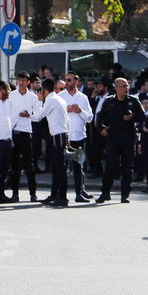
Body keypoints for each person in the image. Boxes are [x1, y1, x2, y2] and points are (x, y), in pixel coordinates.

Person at [95, 77, 141, 204]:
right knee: (110, 165)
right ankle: (105, 193)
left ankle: (125, 195)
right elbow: (100, 117)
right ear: (116, 88)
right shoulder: (109, 101)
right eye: (123, 86)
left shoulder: (133, 101)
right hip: (113, 137)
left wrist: (132, 118)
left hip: (128, 137)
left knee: (127, 167)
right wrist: (101, 129)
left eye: (127, 86)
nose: (126, 88)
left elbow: (142, 117)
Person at [37, 78, 70, 207]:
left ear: (45, 90)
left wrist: (39, 101)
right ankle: (54, 195)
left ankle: (62, 197)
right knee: (56, 167)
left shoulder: (50, 100)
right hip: (61, 135)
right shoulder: (59, 99)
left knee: (59, 168)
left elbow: (38, 116)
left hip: (58, 136)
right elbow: (67, 120)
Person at [62, 73, 94, 202]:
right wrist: (66, 110)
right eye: (65, 80)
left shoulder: (83, 97)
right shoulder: (60, 96)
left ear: (76, 81)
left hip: (79, 136)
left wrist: (80, 111)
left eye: (69, 80)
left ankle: (79, 192)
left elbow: (90, 118)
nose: (66, 82)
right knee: (62, 167)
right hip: (65, 137)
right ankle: (61, 195)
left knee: (79, 166)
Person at [8, 73, 40, 201]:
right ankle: (15, 193)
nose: (21, 83)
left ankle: (33, 193)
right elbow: (7, 114)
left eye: (24, 80)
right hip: (13, 132)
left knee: (29, 165)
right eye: (19, 80)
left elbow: (38, 116)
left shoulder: (33, 97)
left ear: (28, 82)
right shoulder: (11, 95)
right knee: (14, 165)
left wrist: (29, 115)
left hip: (26, 132)